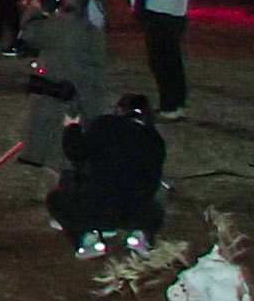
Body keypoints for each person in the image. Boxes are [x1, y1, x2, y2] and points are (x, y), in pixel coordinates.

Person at [47, 95, 170, 254]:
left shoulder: (105, 124)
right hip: (133, 213)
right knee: (159, 198)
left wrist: (72, 127)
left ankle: (86, 238)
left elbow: (76, 152)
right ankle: (142, 235)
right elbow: (153, 182)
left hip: (93, 208)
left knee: (56, 199)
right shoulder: (155, 140)